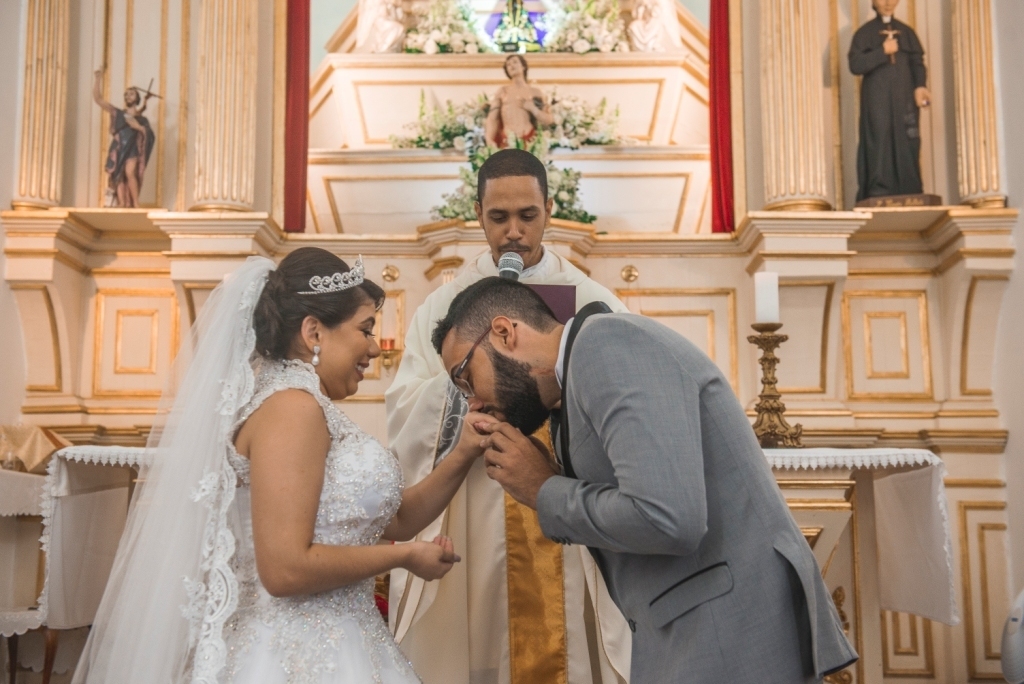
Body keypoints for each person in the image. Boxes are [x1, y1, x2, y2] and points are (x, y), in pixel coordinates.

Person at [72, 247, 495, 683]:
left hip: (344, 642)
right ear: (314, 331)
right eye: (365, 329)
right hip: (294, 656)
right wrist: (404, 558)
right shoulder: (292, 409)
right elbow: (285, 569)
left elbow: (399, 519)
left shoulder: (306, 405)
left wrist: (462, 451)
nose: (373, 346)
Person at [432, 277, 860, 684]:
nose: (475, 404)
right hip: (696, 622)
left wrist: (546, 489)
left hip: (728, 628)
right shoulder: (575, 379)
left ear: (505, 332)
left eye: (466, 379)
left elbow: (668, 516)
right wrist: (552, 477)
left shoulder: (607, 344)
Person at [385, 149, 631, 684]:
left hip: (566, 486)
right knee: (479, 638)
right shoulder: (444, 306)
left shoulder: (592, 300)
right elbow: (406, 405)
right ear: (478, 214)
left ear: (548, 210)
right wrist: (468, 395)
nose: (514, 232)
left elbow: (625, 396)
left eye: (528, 215)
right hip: (478, 500)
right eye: (499, 218)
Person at [848, 0, 931, 201]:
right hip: (877, 98)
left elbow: (917, 63)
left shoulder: (907, 32)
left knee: (908, 140)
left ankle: (910, 186)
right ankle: (879, 188)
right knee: (879, 139)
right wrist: (882, 52)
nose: (888, 3)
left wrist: (920, 86)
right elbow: (855, 64)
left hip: (904, 98)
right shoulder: (864, 33)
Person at [93, 69, 156, 208]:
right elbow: (98, 99)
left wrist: (138, 127)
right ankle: (121, 202)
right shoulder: (118, 113)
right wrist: (98, 78)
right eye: (126, 94)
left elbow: (148, 132)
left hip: (132, 148)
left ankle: (136, 204)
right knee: (118, 174)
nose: (128, 96)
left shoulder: (141, 119)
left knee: (129, 172)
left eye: (132, 94)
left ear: (137, 98)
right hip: (118, 146)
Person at [484, 55, 554, 149]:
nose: (511, 65)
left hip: (529, 139)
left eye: (515, 62)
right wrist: (489, 139)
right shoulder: (503, 91)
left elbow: (549, 120)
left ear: (523, 66)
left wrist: (533, 109)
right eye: (508, 64)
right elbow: (493, 118)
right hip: (508, 140)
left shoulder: (535, 92)